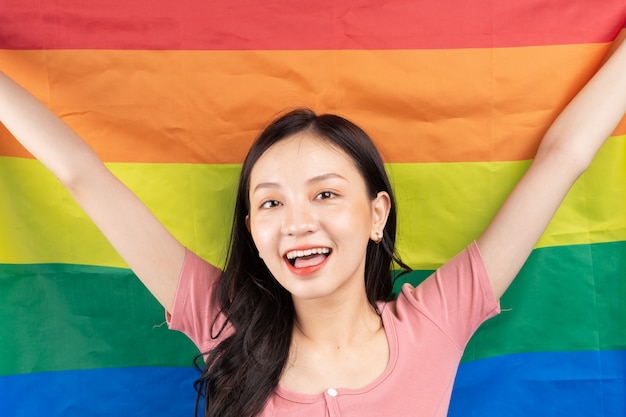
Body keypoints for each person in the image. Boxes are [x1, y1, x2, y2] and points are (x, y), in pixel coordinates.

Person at [0, 27, 624, 417]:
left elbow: (563, 157)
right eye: (270, 203)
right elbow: (83, 174)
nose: (297, 222)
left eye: (325, 195)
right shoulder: (222, 323)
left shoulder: (438, 319)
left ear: (377, 213)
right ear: (252, 232)